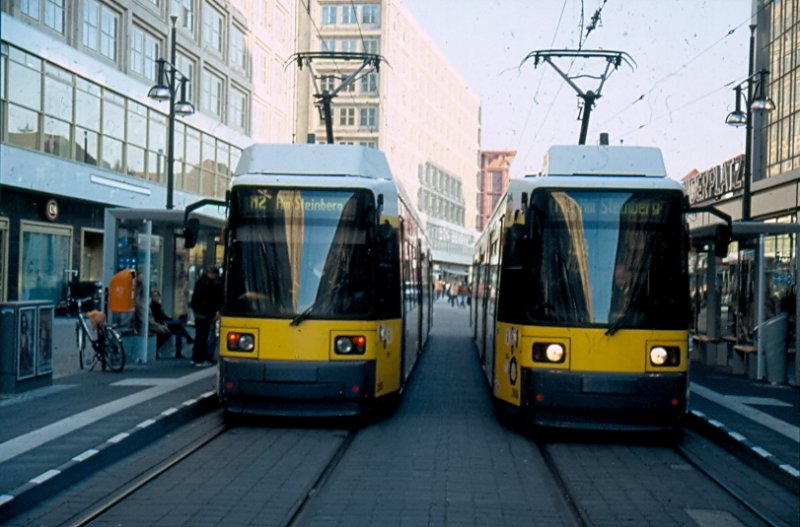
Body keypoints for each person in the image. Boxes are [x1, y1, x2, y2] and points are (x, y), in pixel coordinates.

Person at [190, 266, 224, 367]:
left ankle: (196, 357)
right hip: (205, 314)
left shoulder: (201, 282)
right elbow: (212, 300)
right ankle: (200, 359)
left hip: (200, 313)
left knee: (200, 337)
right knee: (203, 337)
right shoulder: (208, 285)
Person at [150, 289, 194, 359]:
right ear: (151, 297)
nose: (156, 298)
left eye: (157, 296)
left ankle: (178, 353)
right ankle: (189, 338)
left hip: (164, 322)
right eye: (154, 296)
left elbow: (164, 316)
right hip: (160, 324)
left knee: (179, 331)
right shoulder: (152, 307)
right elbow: (158, 318)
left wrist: (172, 320)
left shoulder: (158, 306)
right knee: (180, 323)